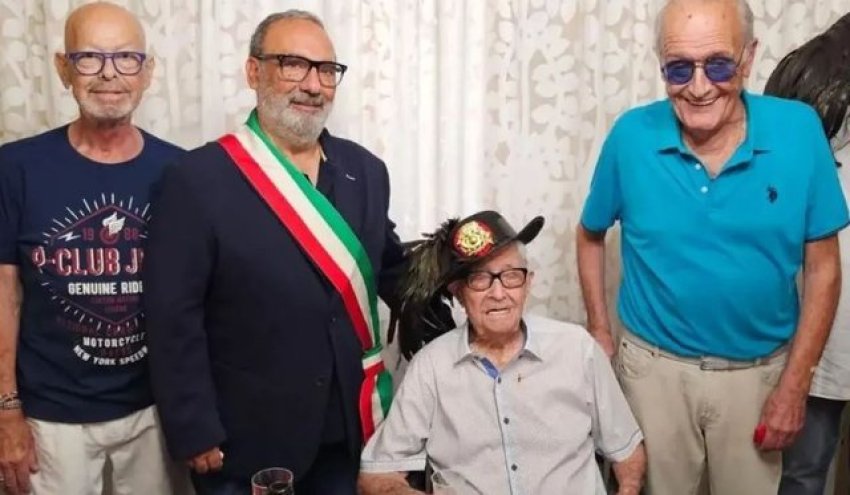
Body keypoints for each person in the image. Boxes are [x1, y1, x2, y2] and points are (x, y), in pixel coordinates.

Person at [576, 0, 849, 493]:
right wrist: (599, 329)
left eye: (718, 65)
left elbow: (824, 268)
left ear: (749, 57)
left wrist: (796, 383)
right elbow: (590, 233)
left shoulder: (799, 130)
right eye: (679, 68)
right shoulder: (631, 136)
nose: (699, 87)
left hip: (759, 375)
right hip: (652, 374)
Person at [143, 10, 406, 495]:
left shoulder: (366, 171)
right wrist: (194, 426)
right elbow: (172, 315)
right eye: (293, 64)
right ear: (253, 71)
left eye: (326, 70)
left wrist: (465, 270)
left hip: (347, 429)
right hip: (246, 439)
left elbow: (385, 264)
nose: (313, 85)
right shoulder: (197, 179)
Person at [0, 3, 187, 495]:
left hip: (154, 407)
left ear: (148, 71)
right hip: (50, 414)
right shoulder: (15, 169)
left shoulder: (182, 172)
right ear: (64, 69)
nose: (109, 74)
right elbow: (3, 296)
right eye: (89, 57)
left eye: (126, 57)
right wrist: (6, 409)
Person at [359, 210, 646, 494]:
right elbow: (375, 474)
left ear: (528, 283)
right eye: (480, 279)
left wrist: (629, 488)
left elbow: (627, 453)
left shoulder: (578, 349)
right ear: (459, 293)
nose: (498, 294)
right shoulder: (430, 368)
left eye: (511, 276)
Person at [763, 12, 850, 495]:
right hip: (817, 326)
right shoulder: (809, 82)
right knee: (803, 468)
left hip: (819, 323)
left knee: (803, 470)